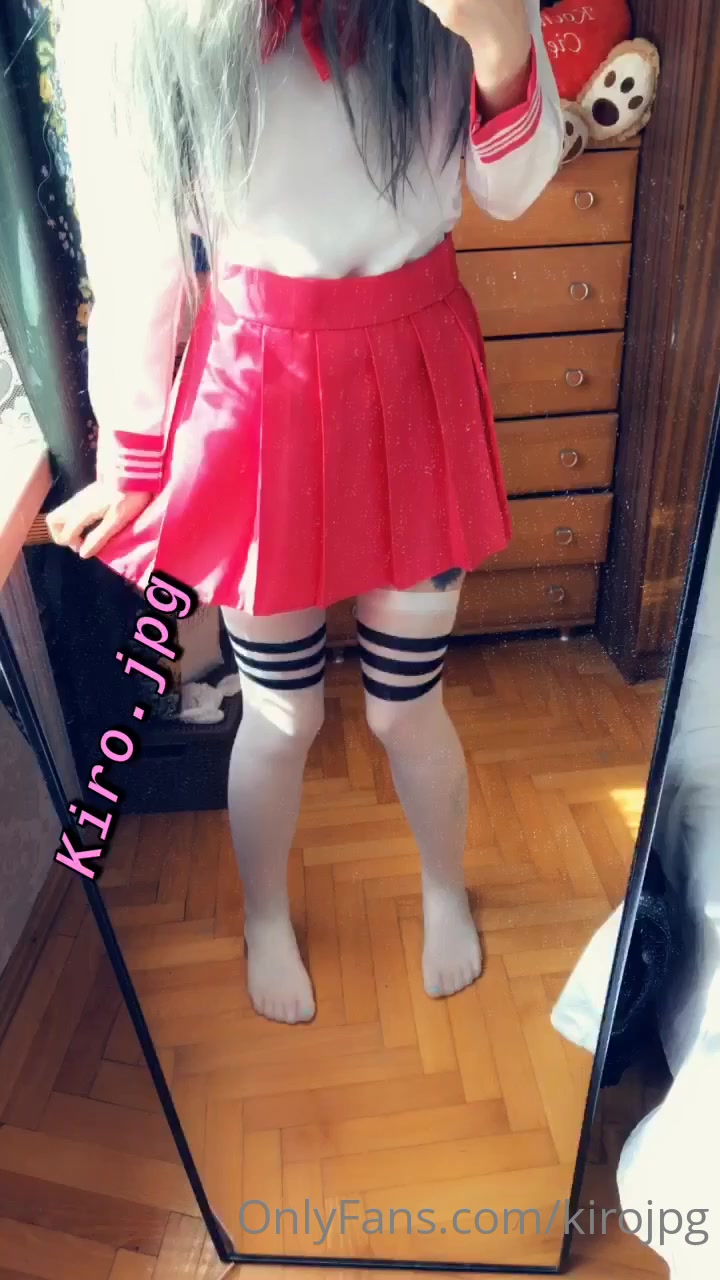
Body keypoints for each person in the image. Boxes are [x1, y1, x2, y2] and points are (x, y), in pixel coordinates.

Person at [48, 0, 564, 1023]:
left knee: (406, 705)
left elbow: (512, 190)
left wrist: (500, 39)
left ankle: (444, 886)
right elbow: (141, 243)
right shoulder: (153, 18)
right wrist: (135, 451)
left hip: (415, 369)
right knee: (281, 711)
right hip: (259, 386)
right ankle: (266, 916)